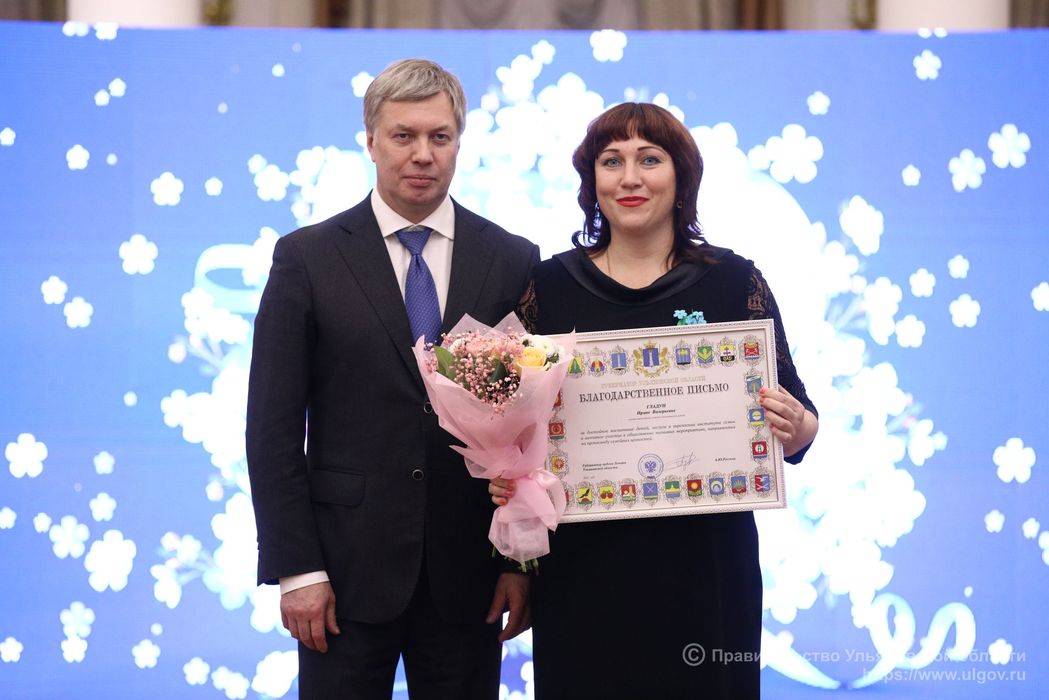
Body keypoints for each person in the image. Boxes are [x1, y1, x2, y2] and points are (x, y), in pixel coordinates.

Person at [492, 102, 819, 699]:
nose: (630, 178)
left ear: (681, 176)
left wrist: (796, 427)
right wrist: (512, 493)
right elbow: (514, 434)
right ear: (592, 180)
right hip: (584, 571)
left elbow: (798, 420)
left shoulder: (734, 280)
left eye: (649, 159)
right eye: (611, 161)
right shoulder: (549, 287)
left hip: (708, 568)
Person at [246, 58, 539, 699]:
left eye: (440, 136)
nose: (422, 154)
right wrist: (297, 568)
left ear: (460, 141)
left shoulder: (512, 258)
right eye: (403, 136)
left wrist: (519, 560)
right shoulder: (307, 258)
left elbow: (531, 430)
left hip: (470, 574)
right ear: (371, 141)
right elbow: (271, 429)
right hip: (342, 573)